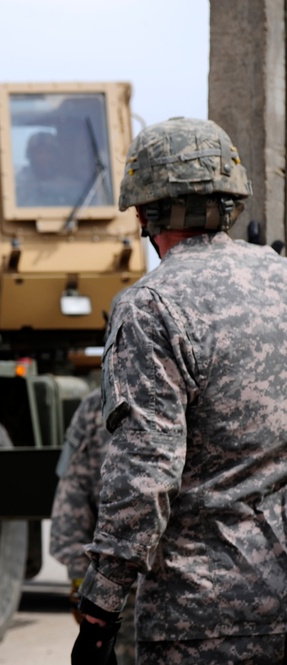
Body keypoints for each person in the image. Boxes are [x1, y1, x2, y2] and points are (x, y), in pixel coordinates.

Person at [71, 117, 287, 664]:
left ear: (146, 213)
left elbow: (145, 474)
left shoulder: (151, 306)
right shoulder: (281, 279)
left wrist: (99, 610)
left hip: (204, 621)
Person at [51, 387, 136, 665]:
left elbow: (71, 497)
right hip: (124, 585)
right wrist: (80, 577)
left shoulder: (100, 401)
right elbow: (73, 494)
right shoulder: (95, 405)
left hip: (125, 577)